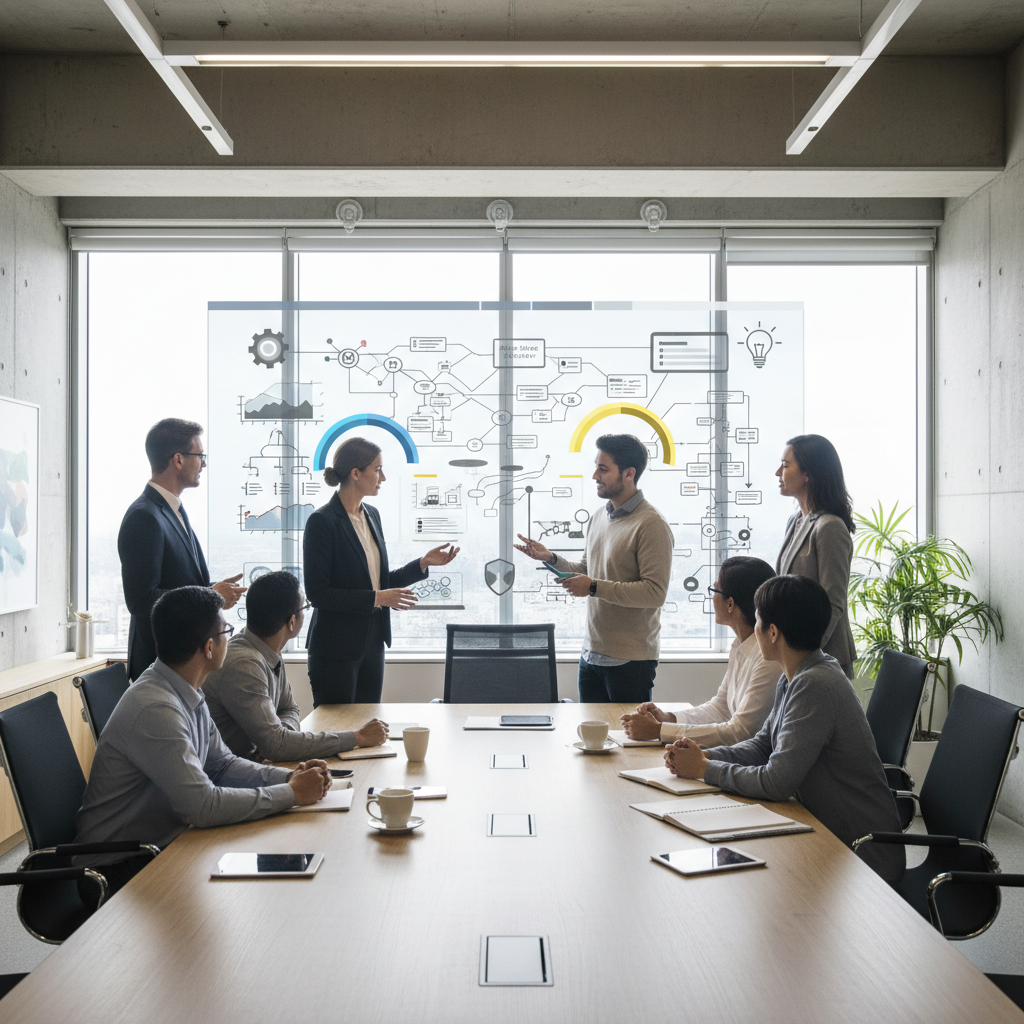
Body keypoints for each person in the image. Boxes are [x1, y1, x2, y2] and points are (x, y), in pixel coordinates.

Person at [74, 586, 331, 901]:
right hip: (119, 866)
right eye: (227, 630)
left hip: (167, 842)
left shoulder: (183, 688)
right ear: (210, 648)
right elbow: (203, 807)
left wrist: (289, 777)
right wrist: (291, 794)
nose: (231, 637)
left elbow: (222, 765)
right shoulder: (157, 708)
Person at [663, 574, 904, 884]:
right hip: (823, 827)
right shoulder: (799, 673)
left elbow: (776, 781)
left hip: (859, 849)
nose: (755, 630)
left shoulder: (815, 684)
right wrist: (705, 755)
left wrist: (704, 769)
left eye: (759, 621)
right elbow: (763, 744)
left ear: (773, 632)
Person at [515, 434, 674, 703]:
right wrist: (550, 558)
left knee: (630, 743)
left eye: (603, 469)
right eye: (596, 467)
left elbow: (654, 592)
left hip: (630, 660)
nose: (594, 476)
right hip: (591, 654)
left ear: (628, 473)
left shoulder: (651, 524)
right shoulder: (600, 516)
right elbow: (587, 570)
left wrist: (592, 587)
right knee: (591, 741)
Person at [303, 437, 459, 705]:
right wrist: (377, 598)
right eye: (377, 469)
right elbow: (318, 593)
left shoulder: (372, 515)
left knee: (369, 727)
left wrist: (422, 563)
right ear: (355, 473)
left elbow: (378, 582)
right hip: (335, 648)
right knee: (335, 730)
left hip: (373, 642)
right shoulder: (322, 521)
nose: (382, 477)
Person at [205, 570, 390, 760]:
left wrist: (282, 738)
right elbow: (276, 746)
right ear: (292, 622)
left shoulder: (268, 648)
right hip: (229, 778)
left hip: (256, 765)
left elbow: (289, 709)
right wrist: (357, 737)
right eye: (304, 607)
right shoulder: (244, 665)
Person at [119, 418, 246, 680]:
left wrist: (215, 590)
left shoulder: (172, 508)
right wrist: (210, 595)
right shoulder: (145, 517)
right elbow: (141, 600)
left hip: (182, 665)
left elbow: (179, 583)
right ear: (178, 460)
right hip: (161, 669)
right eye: (200, 456)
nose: (204, 463)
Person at [619, 556, 778, 745]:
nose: (712, 597)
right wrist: (667, 718)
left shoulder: (768, 657)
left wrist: (659, 731)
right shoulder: (740, 645)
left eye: (714, 589)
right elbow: (721, 709)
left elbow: (741, 732)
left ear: (730, 604)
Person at [775, 433, 857, 678]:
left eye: (786, 465)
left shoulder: (830, 527)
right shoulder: (796, 521)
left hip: (824, 659)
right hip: (795, 657)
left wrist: (808, 653)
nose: (778, 473)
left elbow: (833, 602)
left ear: (808, 474)